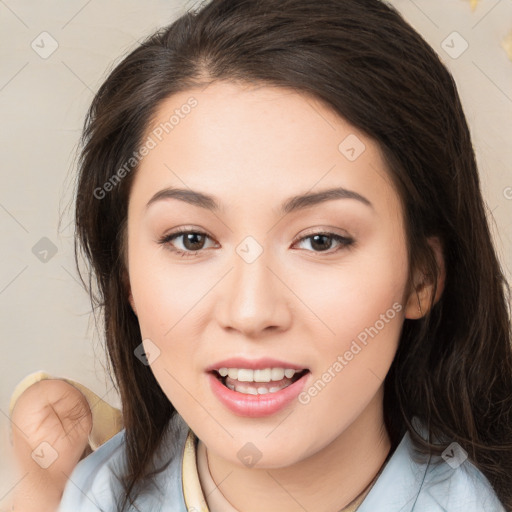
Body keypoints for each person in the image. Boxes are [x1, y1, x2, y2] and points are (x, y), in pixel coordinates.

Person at [9, 0, 512, 510]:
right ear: (126, 277)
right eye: (191, 239)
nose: (250, 312)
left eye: (321, 240)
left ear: (421, 277)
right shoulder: (89, 492)